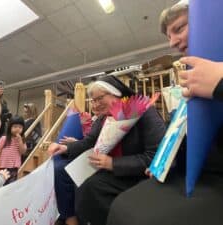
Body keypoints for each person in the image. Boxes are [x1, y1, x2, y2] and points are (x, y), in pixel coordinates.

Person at [106, 2, 223, 225]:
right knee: (121, 205)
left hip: (212, 181)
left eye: (179, 29)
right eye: (168, 36)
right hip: (191, 174)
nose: (172, 43)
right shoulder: (189, 83)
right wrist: (165, 160)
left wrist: (220, 81)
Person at [49, 75, 166, 225]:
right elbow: (88, 142)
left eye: (99, 99)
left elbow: (156, 156)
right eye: (93, 101)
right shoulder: (102, 119)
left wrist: (113, 163)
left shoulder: (145, 112)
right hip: (105, 168)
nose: (95, 105)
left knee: (89, 185)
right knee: (60, 170)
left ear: (116, 93)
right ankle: (71, 217)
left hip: (135, 174)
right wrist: (65, 147)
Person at [0, 115, 27, 185]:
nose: (17, 129)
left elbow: (22, 152)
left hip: (14, 168)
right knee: (1, 184)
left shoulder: (22, 140)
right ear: (10, 127)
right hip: (3, 167)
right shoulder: (4, 138)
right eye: (15, 127)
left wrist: (20, 141)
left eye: (20, 127)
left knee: (11, 185)